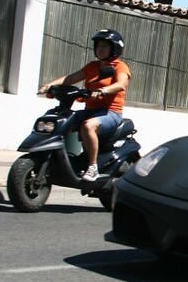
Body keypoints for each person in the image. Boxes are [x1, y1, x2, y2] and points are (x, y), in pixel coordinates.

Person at [38, 29, 131, 181]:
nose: (100, 49)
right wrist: (49, 85)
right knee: (61, 121)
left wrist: (103, 90)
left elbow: (121, 84)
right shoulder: (91, 67)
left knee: (88, 126)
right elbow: (70, 78)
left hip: (111, 113)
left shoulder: (120, 67)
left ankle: (92, 167)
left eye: (105, 46)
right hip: (90, 110)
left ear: (114, 48)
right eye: (98, 45)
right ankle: (57, 159)